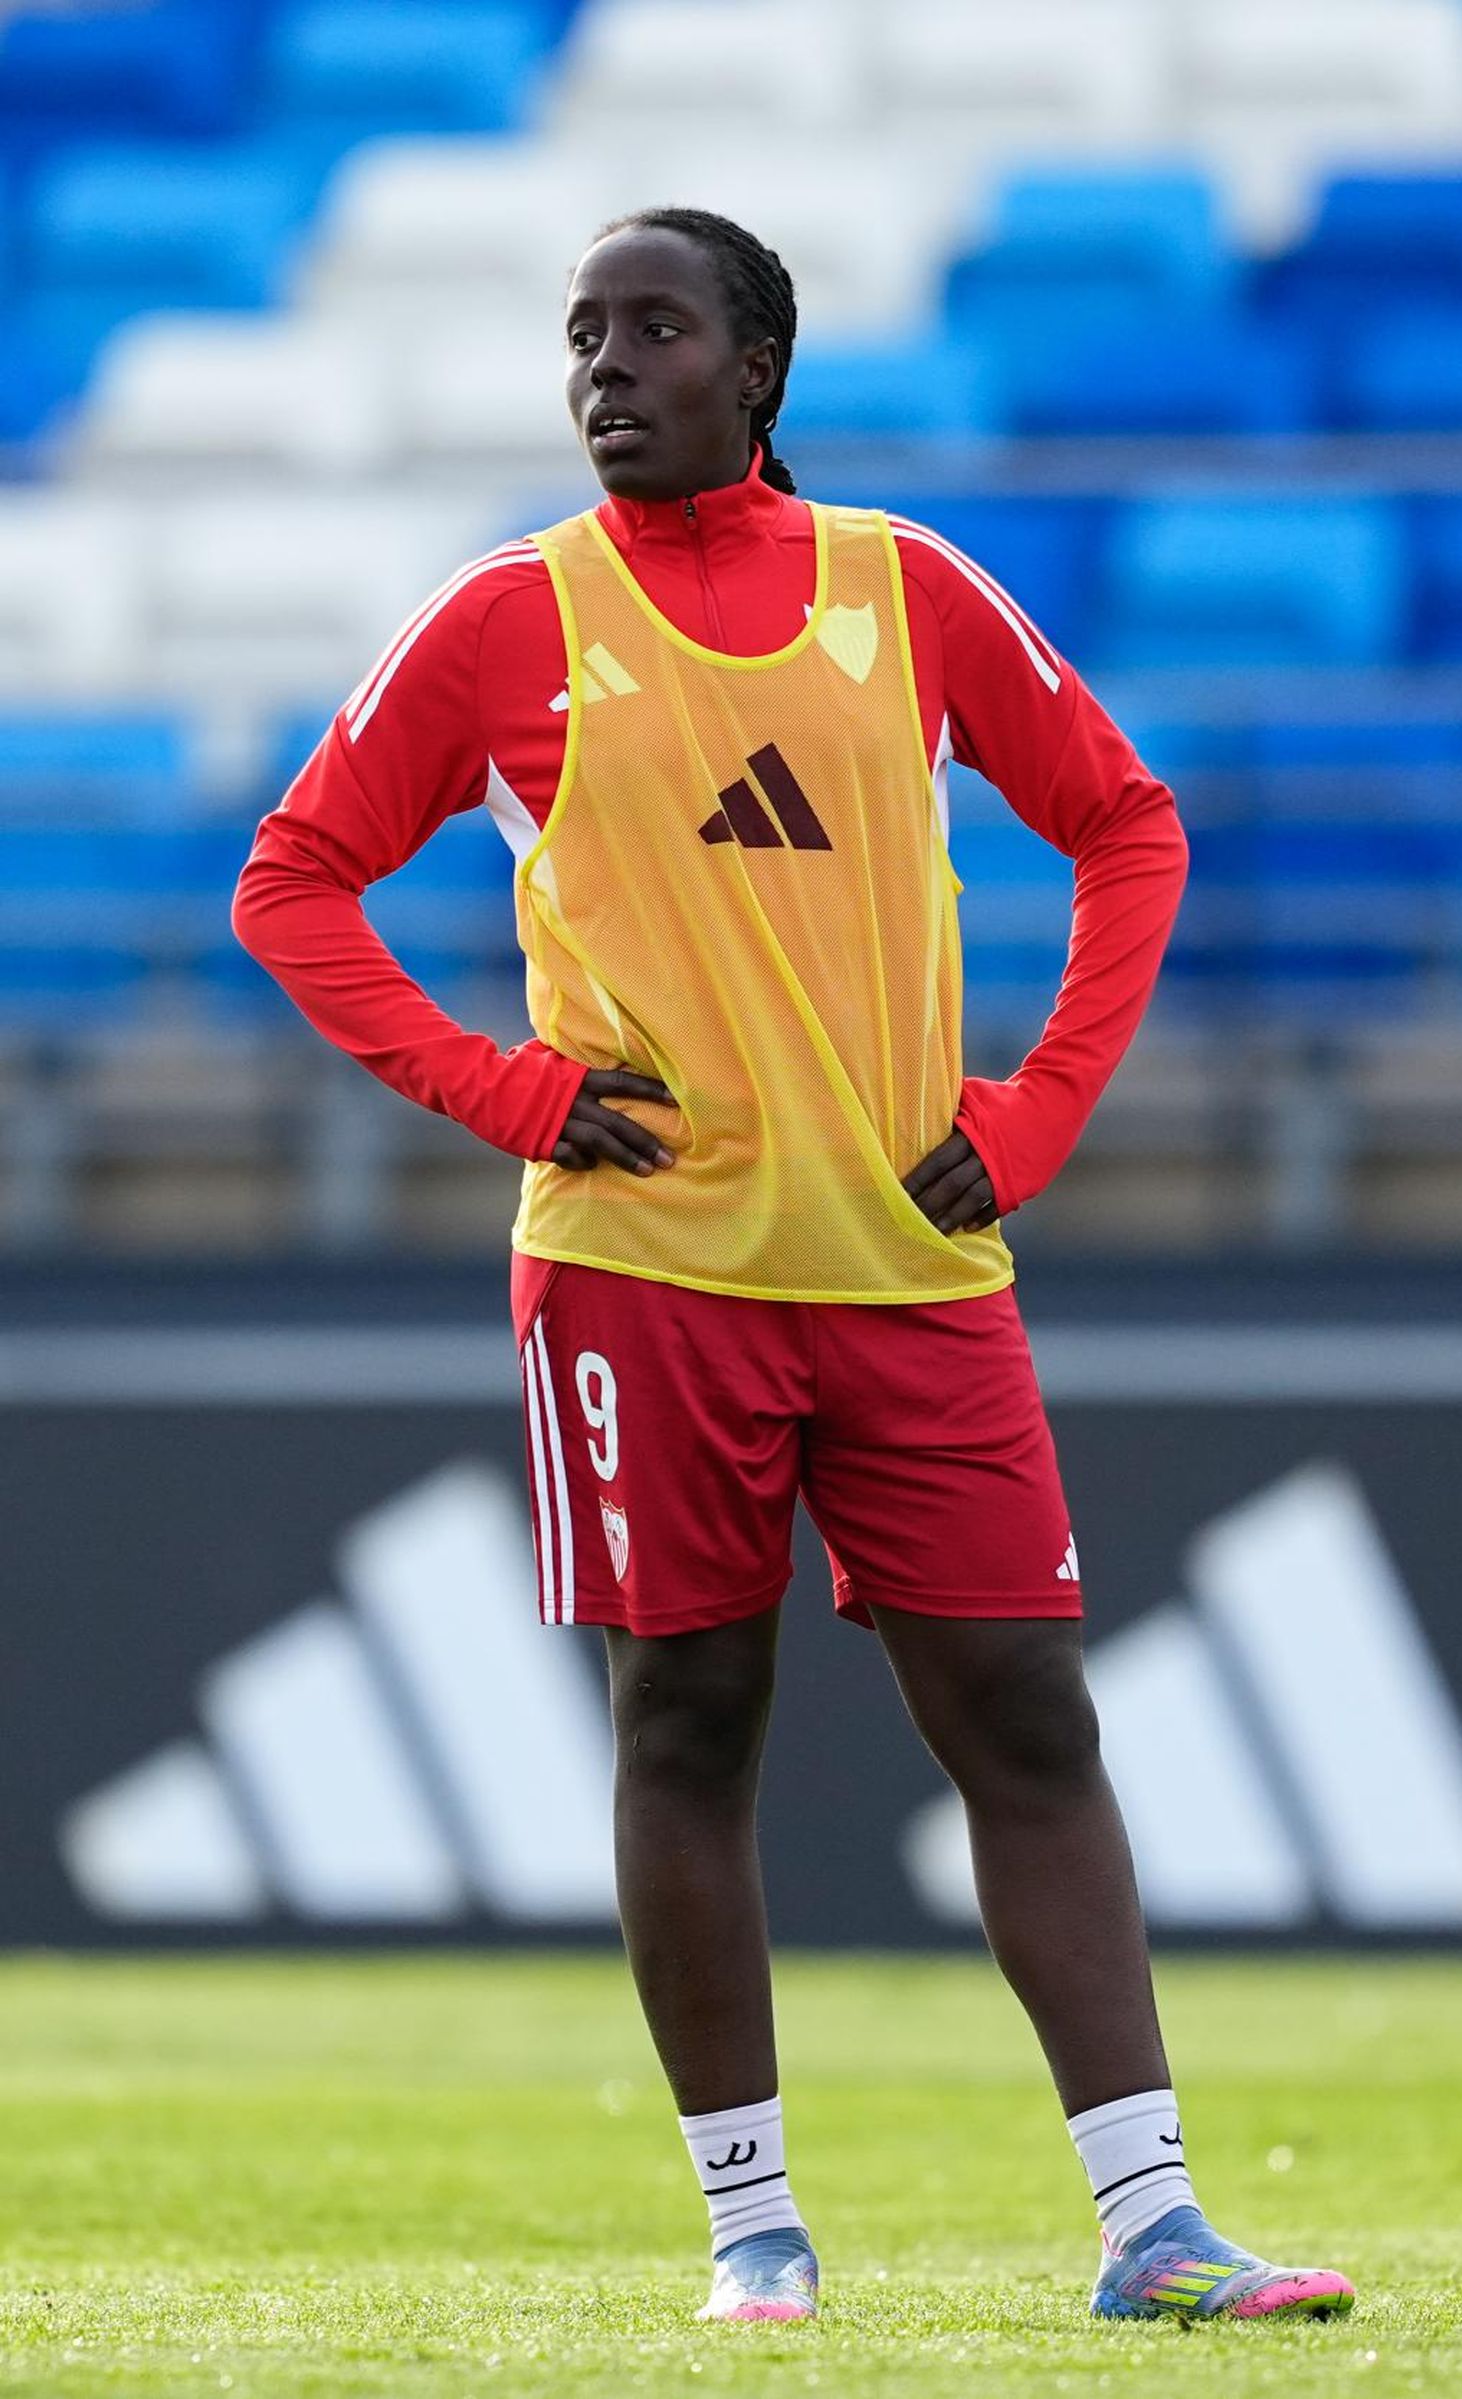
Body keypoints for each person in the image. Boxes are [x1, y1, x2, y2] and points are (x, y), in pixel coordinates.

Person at [233, 205, 1355, 2329]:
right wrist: (501, 1091)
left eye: (652, 329)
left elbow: (1127, 822)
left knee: (1022, 1713)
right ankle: (752, 2225)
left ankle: (1151, 2228)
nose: (603, 367)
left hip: (906, 1271)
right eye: (577, 333)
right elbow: (289, 880)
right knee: (687, 1715)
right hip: (642, 1274)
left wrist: (1027, 1117)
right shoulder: (503, 622)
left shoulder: (902, 590)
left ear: (756, 365)